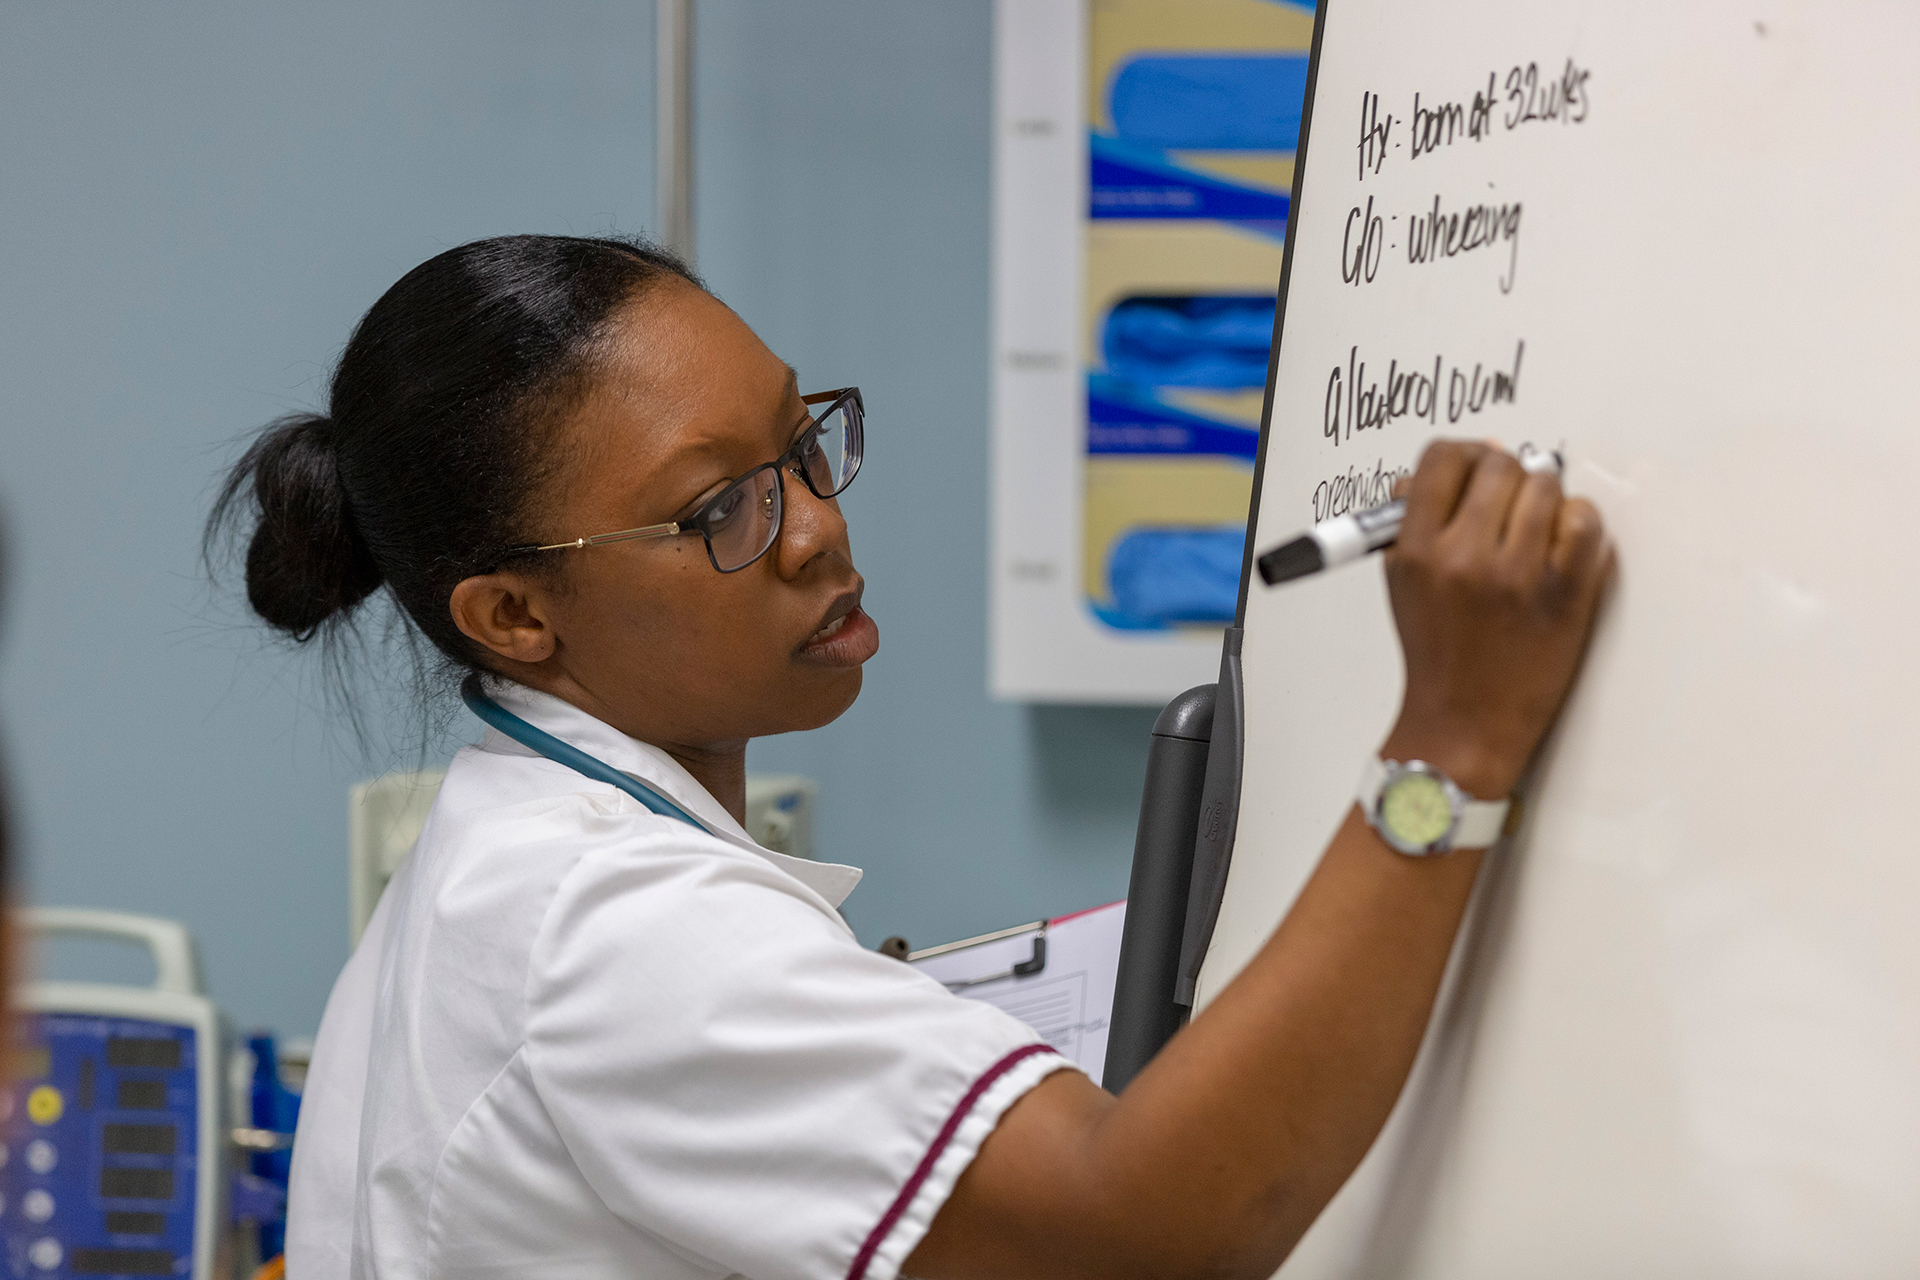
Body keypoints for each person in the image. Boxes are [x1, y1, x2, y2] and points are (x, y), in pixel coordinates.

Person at [209, 235, 1609, 1280]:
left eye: (803, 442)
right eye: (721, 511)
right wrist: (1455, 739)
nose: (815, 526)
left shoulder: (509, 860)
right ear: (515, 617)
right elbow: (1151, 1233)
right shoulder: (609, 932)